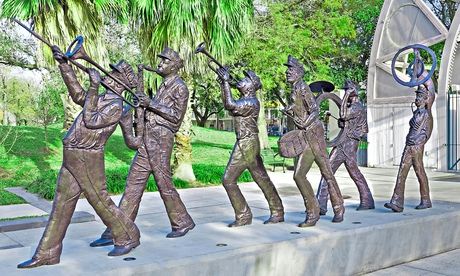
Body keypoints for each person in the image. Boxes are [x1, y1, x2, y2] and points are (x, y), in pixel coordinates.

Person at [18, 47, 140, 269]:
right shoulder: (102, 97)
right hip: (73, 153)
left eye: (112, 74)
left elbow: (91, 119)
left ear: (120, 82)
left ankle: (128, 235)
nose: (106, 75)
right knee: (61, 204)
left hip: (87, 156)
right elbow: (78, 96)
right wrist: (65, 66)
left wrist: (93, 86)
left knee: (100, 200)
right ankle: (48, 252)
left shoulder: (115, 105)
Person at [89, 48, 195, 248]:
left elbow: (175, 118)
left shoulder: (180, 87)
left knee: (164, 183)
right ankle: (116, 229)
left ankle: (182, 221)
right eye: (160, 59)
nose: (160, 63)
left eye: (164, 60)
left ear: (174, 65)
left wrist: (150, 103)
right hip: (149, 139)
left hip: (162, 140)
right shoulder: (164, 85)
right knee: (132, 186)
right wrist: (143, 108)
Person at [216, 67, 284, 227]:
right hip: (248, 142)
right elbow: (231, 107)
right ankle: (278, 210)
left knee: (228, 180)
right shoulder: (246, 101)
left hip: (246, 143)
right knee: (261, 178)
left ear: (250, 86)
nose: (241, 80)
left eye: (246, 79)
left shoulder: (250, 102)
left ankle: (244, 215)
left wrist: (225, 82)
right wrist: (223, 84)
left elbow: (229, 104)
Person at [283, 55, 345, 227]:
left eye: (290, 70)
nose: (287, 72)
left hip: (314, 136)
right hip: (306, 136)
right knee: (299, 175)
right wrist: (290, 109)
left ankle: (338, 208)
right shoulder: (294, 88)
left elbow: (315, 110)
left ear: (299, 72)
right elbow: (300, 108)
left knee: (326, 172)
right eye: (287, 69)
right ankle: (313, 211)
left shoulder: (303, 87)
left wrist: (305, 122)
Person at [316, 80, 374, 214]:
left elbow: (343, 115)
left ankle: (367, 200)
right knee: (328, 170)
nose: (345, 92)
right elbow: (344, 121)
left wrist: (346, 96)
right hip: (343, 142)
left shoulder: (357, 107)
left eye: (348, 90)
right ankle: (321, 204)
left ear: (353, 91)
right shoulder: (350, 106)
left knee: (350, 172)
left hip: (349, 143)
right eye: (345, 90)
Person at [384, 73, 436, 212]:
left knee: (419, 172)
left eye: (420, 97)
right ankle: (397, 202)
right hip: (409, 145)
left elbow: (427, 133)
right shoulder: (416, 113)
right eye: (416, 96)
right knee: (402, 172)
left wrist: (424, 75)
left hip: (416, 146)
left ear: (426, 100)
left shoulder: (427, 113)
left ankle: (426, 200)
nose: (417, 99)